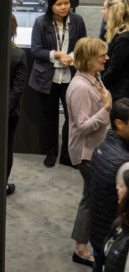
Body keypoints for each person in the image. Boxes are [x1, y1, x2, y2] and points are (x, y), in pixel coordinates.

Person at [66, 37, 112, 266]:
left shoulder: (94, 77)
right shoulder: (81, 88)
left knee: (90, 198)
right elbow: (83, 127)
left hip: (96, 150)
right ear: (87, 59)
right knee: (91, 200)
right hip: (86, 154)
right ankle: (81, 249)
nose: (107, 58)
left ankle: (82, 245)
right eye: (101, 55)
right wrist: (106, 109)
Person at [29, 0, 87, 167]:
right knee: (49, 116)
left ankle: (66, 153)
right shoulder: (41, 23)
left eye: (66, 3)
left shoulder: (77, 20)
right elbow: (36, 51)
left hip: (70, 77)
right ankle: (51, 151)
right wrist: (57, 54)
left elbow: (82, 45)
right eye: (59, 4)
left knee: (72, 117)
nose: (64, 7)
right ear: (50, 5)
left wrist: (72, 56)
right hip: (47, 77)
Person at [87, 98, 129, 270]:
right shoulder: (124, 163)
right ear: (119, 123)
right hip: (112, 238)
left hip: (98, 233)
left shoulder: (99, 148)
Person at [7, 14, 27, 196]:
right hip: (9, 114)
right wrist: (5, 111)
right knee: (6, 148)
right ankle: (2, 185)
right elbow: (17, 89)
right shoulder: (18, 55)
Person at [104, 0, 129, 101]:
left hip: (120, 94)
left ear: (111, 13)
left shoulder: (123, 39)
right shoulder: (121, 35)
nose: (102, 12)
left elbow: (113, 70)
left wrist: (99, 84)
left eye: (104, 8)